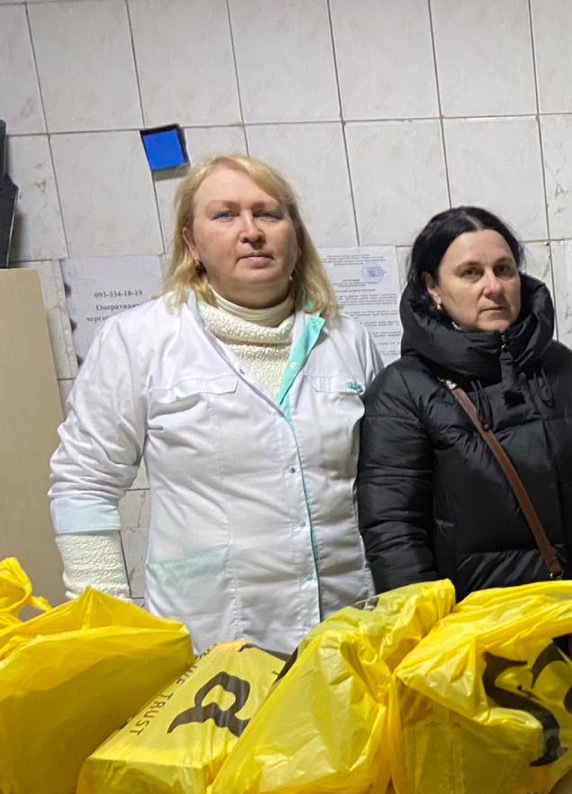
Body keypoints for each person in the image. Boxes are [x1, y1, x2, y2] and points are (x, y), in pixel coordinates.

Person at [49, 154, 383, 654]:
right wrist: (108, 628)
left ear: (296, 236)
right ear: (192, 243)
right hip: (210, 635)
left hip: (347, 624)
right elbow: (83, 484)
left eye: (268, 214)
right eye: (225, 215)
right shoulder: (138, 340)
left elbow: (386, 483)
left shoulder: (348, 340)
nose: (251, 232)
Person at [356, 207, 572, 600]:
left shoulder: (563, 367)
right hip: (478, 624)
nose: (493, 287)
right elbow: (394, 532)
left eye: (503, 269)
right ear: (432, 287)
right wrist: (428, 624)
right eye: (470, 273)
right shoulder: (404, 390)